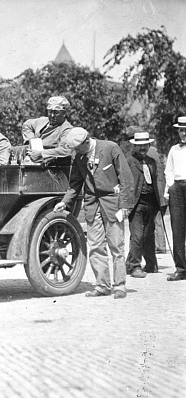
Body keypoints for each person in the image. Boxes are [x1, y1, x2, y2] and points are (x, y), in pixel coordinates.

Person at [53, 127, 134, 299]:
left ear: (86, 142)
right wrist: (64, 202)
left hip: (113, 205)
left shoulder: (110, 148)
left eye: (77, 147)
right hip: (92, 206)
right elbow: (75, 184)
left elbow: (126, 178)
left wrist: (125, 205)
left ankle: (119, 285)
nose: (75, 151)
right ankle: (102, 286)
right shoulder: (78, 156)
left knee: (116, 246)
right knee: (95, 246)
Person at [125, 132, 166, 278]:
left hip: (151, 202)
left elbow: (159, 180)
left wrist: (162, 201)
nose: (142, 148)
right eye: (139, 145)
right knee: (137, 235)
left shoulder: (152, 161)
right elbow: (124, 182)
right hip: (136, 203)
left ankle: (150, 263)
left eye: (145, 145)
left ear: (149, 145)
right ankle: (135, 266)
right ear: (135, 146)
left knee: (149, 234)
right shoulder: (129, 161)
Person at [164, 116, 186, 281]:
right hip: (177, 189)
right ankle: (181, 268)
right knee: (177, 228)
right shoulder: (174, 150)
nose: (184, 133)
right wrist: (170, 188)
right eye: (181, 130)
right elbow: (168, 170)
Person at [23, 96, 73, 164]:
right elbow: (27, 125)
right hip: (31, 158)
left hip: (49, 164)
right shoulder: (43, 121)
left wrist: (41, 153)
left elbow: (66, 150)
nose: (52, 115)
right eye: (50, 112)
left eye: (56, 112)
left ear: (64, 114)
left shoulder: (66, 129)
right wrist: (32, 140)